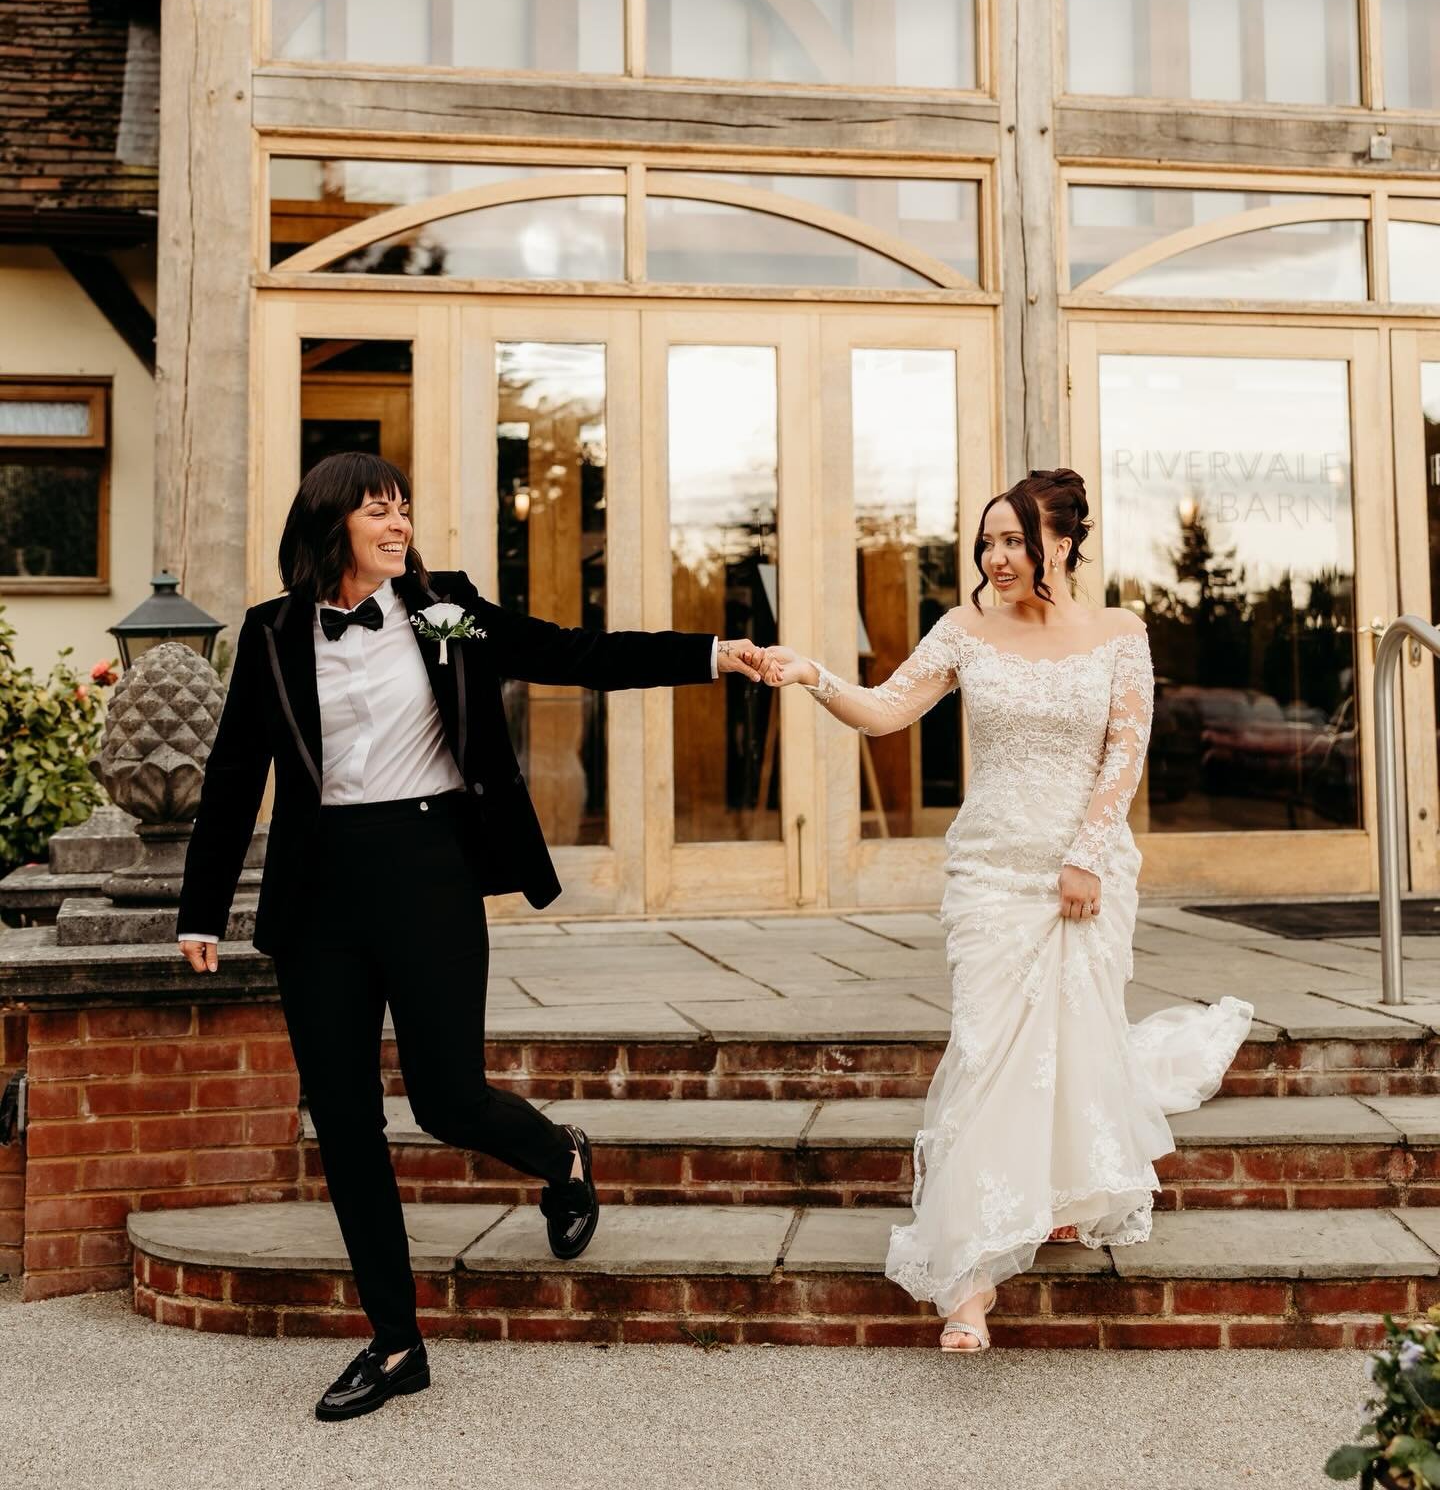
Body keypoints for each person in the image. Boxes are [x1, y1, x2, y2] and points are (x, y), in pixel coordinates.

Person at [175, 451, 763, 1419]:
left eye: (404, 507)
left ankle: (560, 1154)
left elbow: (569, 653)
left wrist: (708, 655)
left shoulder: (440, 610)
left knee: (447, 1099)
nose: (398, 523)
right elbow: (238, 773)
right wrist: (200, 909)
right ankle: (397, 1344)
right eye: (377, 510)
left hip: (430, 869)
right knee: (347, 1124)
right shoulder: (273, 632)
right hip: (319, 892)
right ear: (332, 525)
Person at [759, 467, 1251, 1353]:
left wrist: (1086, 856)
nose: (997, 557)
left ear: (1061, 542)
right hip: (989, 869)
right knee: (990, 1048)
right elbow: (884, 712)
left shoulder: (1119, 632)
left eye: (1015, 540)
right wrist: (813, 675)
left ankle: (1054, 1195)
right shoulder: (964, 629)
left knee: (1068, 1038)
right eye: (987, 541)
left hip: (1084, 869)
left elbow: (1124, 750)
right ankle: (971, 1278)